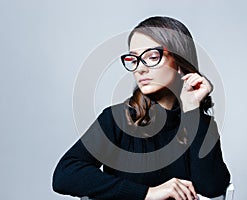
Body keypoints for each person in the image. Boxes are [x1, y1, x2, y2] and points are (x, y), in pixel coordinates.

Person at [52, 16, 230, 200]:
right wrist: (147, 193)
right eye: (134, 59)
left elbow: (212, 189)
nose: (140, 69)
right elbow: (64, 175)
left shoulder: (201, 124)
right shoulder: (117, 119)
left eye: (152, 57)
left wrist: (192, 110)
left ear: (180, 59)